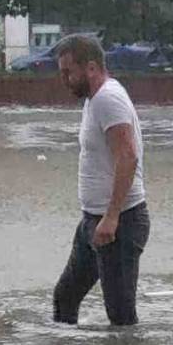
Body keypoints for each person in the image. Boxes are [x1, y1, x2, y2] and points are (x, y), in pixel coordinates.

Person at [52, 34, 150, 326]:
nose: (65, 79)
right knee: (65, 297)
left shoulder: (108, 99)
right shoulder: (95, 99)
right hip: (92, 223)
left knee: (121, 319)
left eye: (69, 72)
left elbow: (128, 157)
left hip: (119, 224)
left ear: (91, 68)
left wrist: (111, 217)